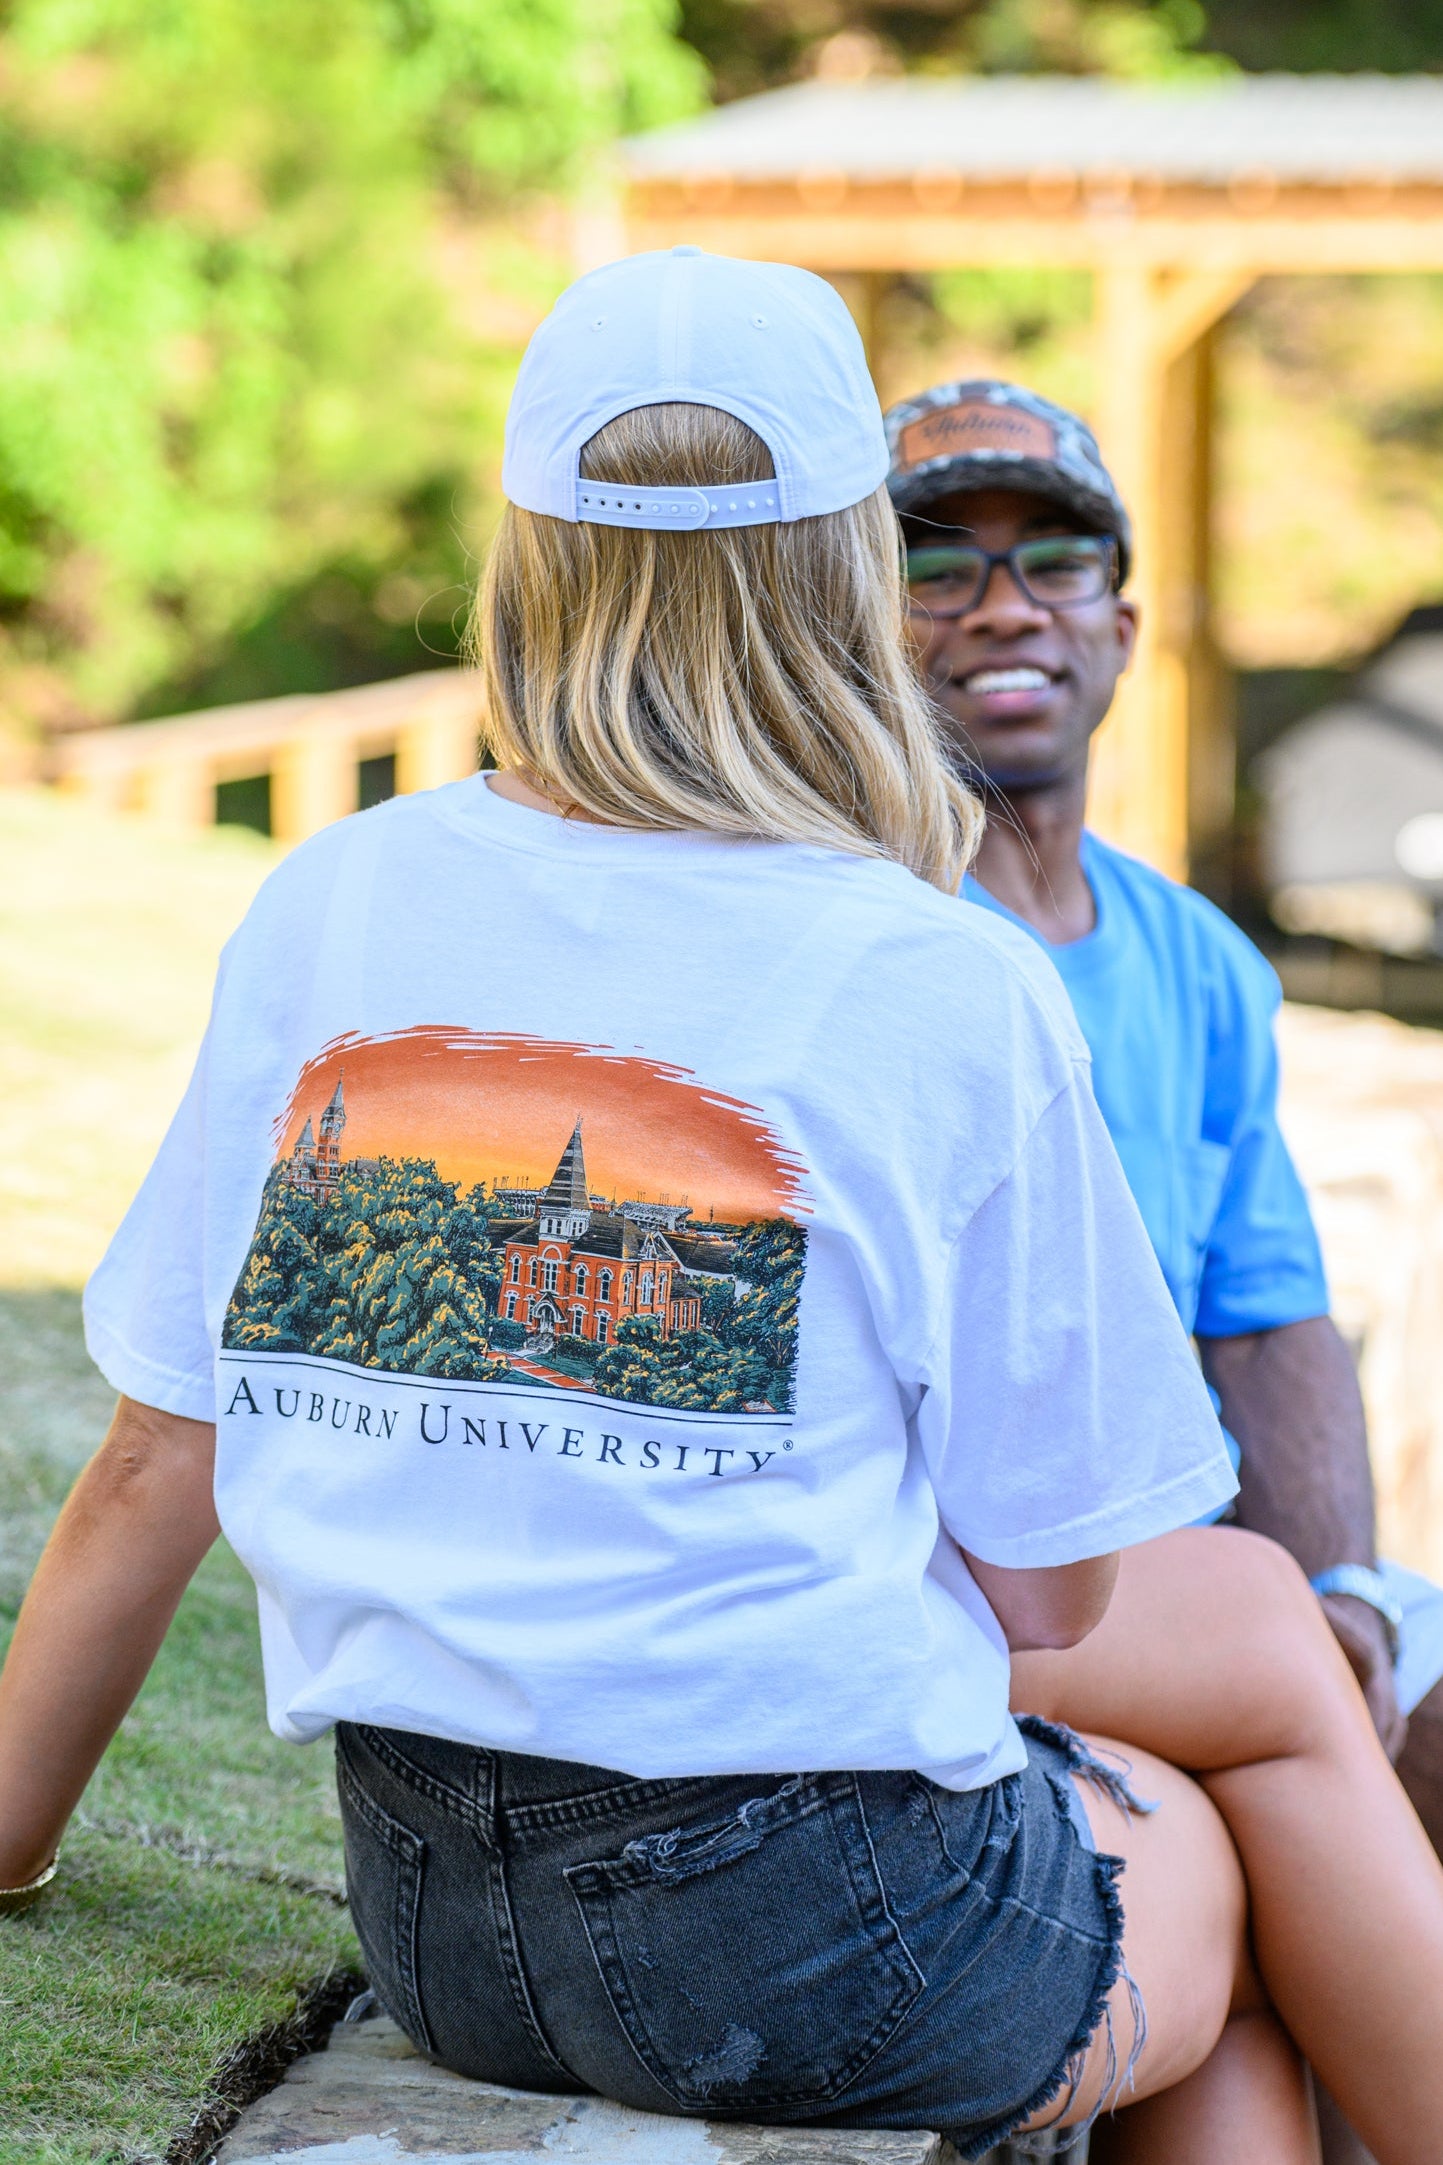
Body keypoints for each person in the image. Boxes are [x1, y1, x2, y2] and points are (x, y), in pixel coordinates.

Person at [3, 252, 1443, 2165]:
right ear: (846, 571)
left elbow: (154, 1453)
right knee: (1232, 1881)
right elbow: (1052, 1586)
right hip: (820, 1938)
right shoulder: (940, 975)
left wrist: (10, 1831)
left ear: (527, 560)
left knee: (1216, 1751)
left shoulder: (327, 902)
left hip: (436, 1914)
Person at [885, 374, 1443, 2159]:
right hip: (990, 1589)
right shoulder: (878, 936)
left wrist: (1342, 1585)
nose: (1002, 606)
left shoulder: (1199, 958)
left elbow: (1269, 1320)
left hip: (1191, 1590)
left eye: (1054, 560)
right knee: (1270, 1760)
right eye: (938, 566)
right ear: (857, 625)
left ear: (1122, 624)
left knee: (1392, 1693)